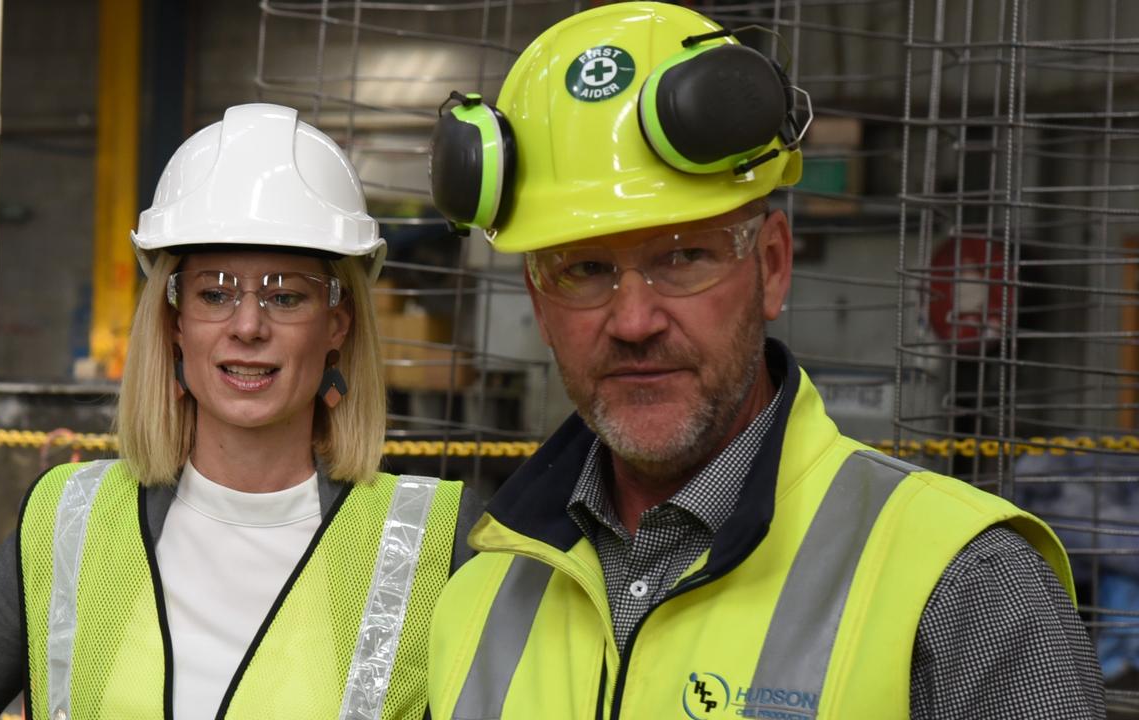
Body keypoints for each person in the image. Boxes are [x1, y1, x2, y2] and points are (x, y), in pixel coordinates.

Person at [424, 4, 1105, 719]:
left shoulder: (965, 587)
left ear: (773, 266)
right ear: (539, 299)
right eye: (584, 270)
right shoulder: (479, 598)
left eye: (684, 257)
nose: (632, 321)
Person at [0, 103, 481, 720]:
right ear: (174, 321)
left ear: (337, 322)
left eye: (286, 296)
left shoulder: (433, 541)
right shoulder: (68, 521)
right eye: (215, 293)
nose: (248, 326)